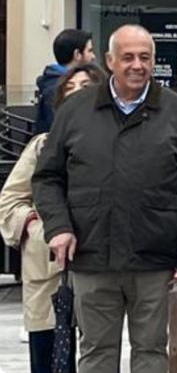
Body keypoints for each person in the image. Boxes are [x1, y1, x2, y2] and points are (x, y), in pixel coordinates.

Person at [32, 25, 177, 373]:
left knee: (153, 354)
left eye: (145, 57)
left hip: (156, 260)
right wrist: (59, 228)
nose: (136, 65)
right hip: (92, 256)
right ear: (110, 61)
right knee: (96, 353)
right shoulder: (75, 110)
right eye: (127, 57)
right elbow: (47, 178)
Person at [1, 63, 102, 373]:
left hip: (99, 268)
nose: (75, 95)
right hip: (48, 271)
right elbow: (11, 199)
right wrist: (34, 227)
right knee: (48, 360)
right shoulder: (42, 145)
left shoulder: (116, 143)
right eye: (68, 90)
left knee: (96, 354)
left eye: (84, 87)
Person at [32, 28, 94, 135]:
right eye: (90, 51)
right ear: (77, 54)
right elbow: (61, 131)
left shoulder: (51, 82)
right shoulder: (55, 88)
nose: (93, 57)